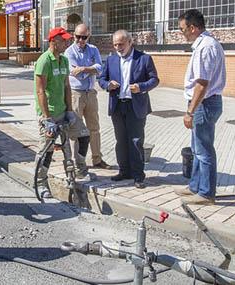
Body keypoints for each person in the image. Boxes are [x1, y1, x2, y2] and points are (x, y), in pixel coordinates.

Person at [34, 27, 93, 198]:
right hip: (49, 115)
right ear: (54, 41)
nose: (67, 42)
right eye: (64, 40)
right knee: (47, 150)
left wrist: (69, 111)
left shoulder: (63, 60)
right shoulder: (44, 61)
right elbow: (40, 91)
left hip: (63, 112)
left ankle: (77, 171)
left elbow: (67, 86)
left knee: (83, 135)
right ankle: (41, 183)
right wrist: (47, 119)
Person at [174, 9, 225, 205]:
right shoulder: (205, 44)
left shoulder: (205, 47)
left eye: (182, 29)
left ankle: (206, 193)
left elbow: (202, 83)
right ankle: (195, 186)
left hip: (204, 103)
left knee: (204, 150)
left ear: (193, 28)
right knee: (197, 149)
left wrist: (190, 111)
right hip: (204, 103)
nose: (182, 33)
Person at [98, 30, 159, 189]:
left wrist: (141, 87)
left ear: (130, 42)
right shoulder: (111, 60)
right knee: (121, 141)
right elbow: (101, 79)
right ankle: (124, 171)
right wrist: (107, 85)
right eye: (115, 44)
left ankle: (138, 176)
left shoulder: (144, 58)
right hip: (118, 105)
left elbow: (154, 79)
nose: (118, 47)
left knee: (136, 141)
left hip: (136, 106)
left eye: (121, 44)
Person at [64, 23, 111, 170]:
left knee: (94, 127)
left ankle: (97, 159)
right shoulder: (69, 52)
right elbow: (75, 73)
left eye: (84, 37)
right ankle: (77, 161)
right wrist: (90, 70)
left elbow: (99, 68)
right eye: (78, 37)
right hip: (75, 94)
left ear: (88, 36)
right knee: (76, 129)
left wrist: (84, 68)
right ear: (74, 35)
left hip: (91, 93)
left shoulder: (93, 49)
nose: (80, 40)